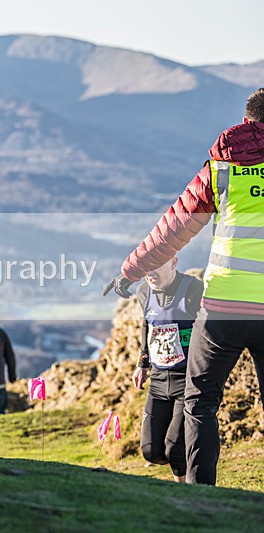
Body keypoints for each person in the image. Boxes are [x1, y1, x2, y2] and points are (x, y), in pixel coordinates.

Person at [103, 88, 264, 485]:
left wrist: (130, 270)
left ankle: (200, 491)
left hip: (223, 306)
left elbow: (174, 228)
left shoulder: (221, 168)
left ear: (245, 121)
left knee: (199, 401)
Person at [131, 257, 202, 482]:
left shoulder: (193, 288)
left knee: (174, 448)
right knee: (151, 451)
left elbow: (208, 328)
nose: (149, 273)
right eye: (144, 268)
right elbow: (147, 325)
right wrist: (142, 364)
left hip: (188, 379)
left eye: (155, 266)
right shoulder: (144, 291)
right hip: (159, 380)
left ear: (172, 262)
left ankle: (182, 490)